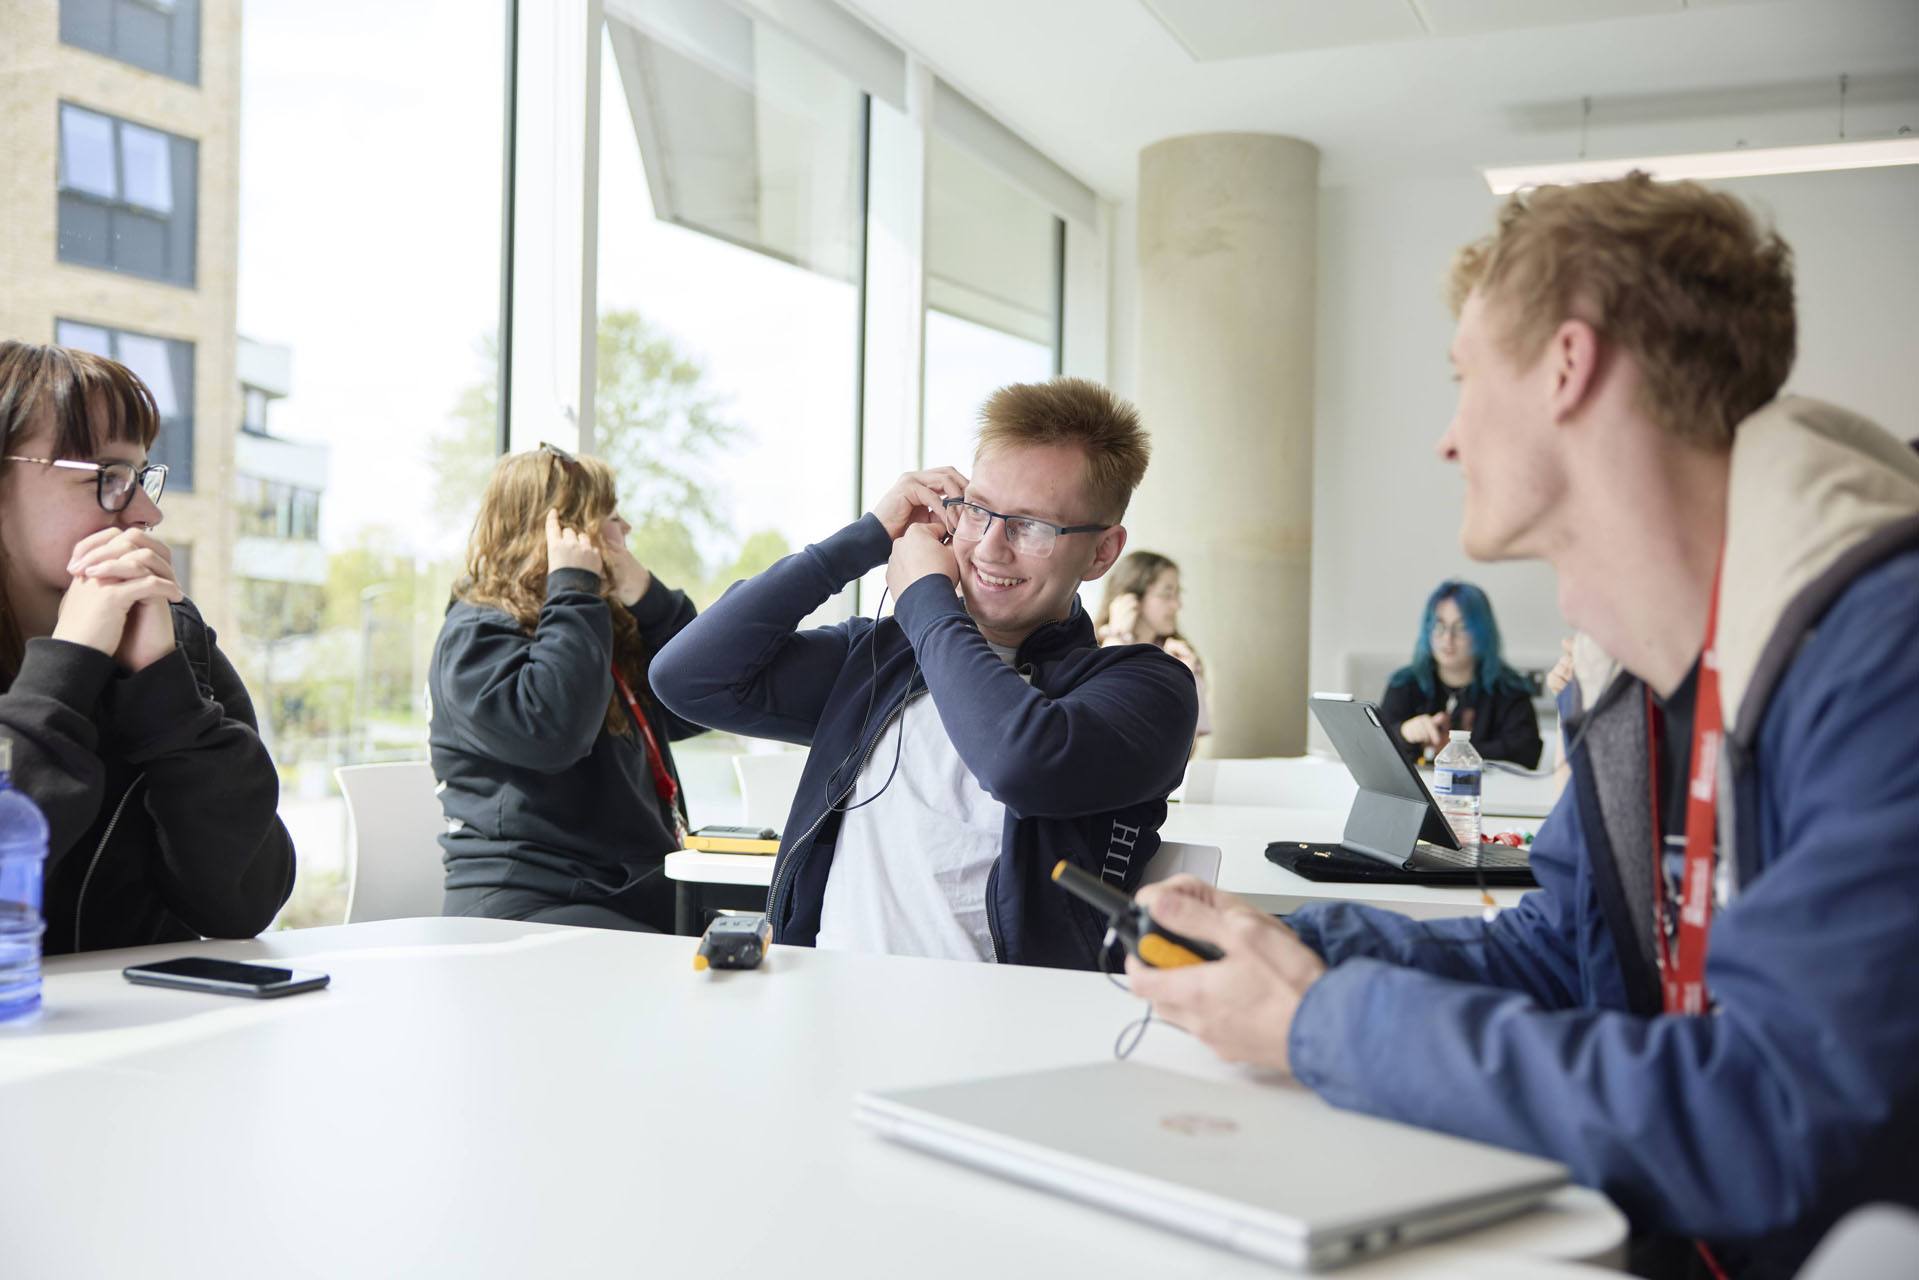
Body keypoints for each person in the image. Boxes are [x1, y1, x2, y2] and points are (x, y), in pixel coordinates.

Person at [1126, 173, 1919, 1278]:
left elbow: (1779, 1114)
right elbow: (1561, 957)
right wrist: (1297, 947)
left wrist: (1324, 1022)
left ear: (1565, 365)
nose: (1448, 439)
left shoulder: (1885, 651)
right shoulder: (1632, 675)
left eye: (1462, 380)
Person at [651, 378, 1198, 969]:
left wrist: (924, 597)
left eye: (1033, 526)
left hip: (1011, 1032)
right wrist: (865, 539)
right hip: (827, 1009)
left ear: (1101, 553)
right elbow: (686, 678)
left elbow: (1020, 762)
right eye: (978, 511)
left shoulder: (1148, 687)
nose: (990, 548)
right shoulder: (884, 659)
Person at [0, 341, 294, 953]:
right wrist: (68, 668)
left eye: (140, 476)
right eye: (107, 477)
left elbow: (244, 902)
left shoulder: (173, 637)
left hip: (159, 1027)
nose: (146, 513)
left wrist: (164, 689)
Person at [429, 445, 702, 933]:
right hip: (531, 904)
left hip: (619, 894)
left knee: (766, 952)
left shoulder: (594, 625)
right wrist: (574, 588)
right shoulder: (476, 633)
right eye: (611, 517)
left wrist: (648, 598)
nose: (626, 530)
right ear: (563, 535)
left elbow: (699, 701)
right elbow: (551, 730)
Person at [1379, 579, 1542, 768]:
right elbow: (1375, 751)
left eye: (1461, 628)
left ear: (1482, 633)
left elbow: (1526, 753)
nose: (1447, 638)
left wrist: (1455, 751)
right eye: (1439, 626)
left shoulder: (1510, 690)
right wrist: (1404, 733)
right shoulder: (1404, 684)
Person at [1095, 551, 1210, 745]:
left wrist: (1187, 684)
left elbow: (1188, 751)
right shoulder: (1089, 646)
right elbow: (1096, 717)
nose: (1177, 605)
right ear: (1130, 598)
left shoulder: (1178, 657)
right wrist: (1118, 636)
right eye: (1167, 594)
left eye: (1178, 594)